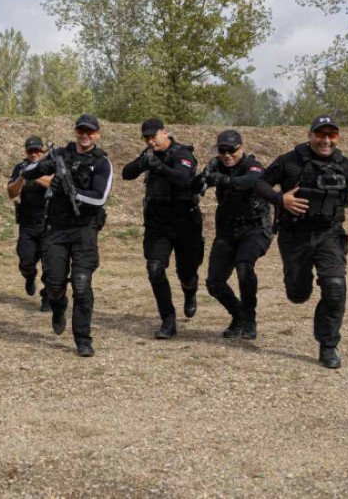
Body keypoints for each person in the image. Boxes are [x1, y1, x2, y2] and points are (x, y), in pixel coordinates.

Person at [255, 115, 348, 369]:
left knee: (335, 288)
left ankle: (328, 346)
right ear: (310, 135)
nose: (326, 140)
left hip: (330, 234)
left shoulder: (344, 164)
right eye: (320, 134)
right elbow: (258, 184)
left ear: (336, 137)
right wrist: (280, 200)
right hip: (295, 237)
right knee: (297, 294)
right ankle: (299, 287)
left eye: (331, 135)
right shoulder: (289, 162)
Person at [23, 114, 113, 357]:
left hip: (85, 229)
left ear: (97, 134)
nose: (85, 135)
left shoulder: (102, 162)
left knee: (82, 285)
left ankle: (83, 339)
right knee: (53, 284)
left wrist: (70, 189)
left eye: (90, 131)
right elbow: (29, 170)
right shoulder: (60, 155)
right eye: (81, 130)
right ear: (75, 131)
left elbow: (99, 197)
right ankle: (58, 307)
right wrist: (42, 165)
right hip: (57, 229)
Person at [122, 118, 204, 340]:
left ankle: (190, 291)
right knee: (155, 268)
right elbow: (125, 173)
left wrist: (159, 167)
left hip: (185, 222)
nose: (150, 141)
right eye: (146, 138)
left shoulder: (182, 154)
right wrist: (143, 164)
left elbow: (183, 177)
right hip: (158, 223)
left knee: (186, 272)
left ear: (164, 133)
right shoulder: (148, 154)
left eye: (153, 136)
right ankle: (168, 319)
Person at [198, 130, 272, 340]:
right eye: (222, 150)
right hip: (227, 231)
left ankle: (249, 319)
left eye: (232, 150)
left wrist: (224, 180)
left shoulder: (252, 165)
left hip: (255, 228)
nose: (227, 155)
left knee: (244, 266)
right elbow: (196, 184)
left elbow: (251, 181)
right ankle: (238, 315)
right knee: (214, 282)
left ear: (242, 148)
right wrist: (202, 181)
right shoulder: (215, 164)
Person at [6, 136, 51, 311]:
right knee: (26, 262)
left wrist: (34, 175)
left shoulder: (50, 165)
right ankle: (30, 276)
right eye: (30, 151)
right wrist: (21, 178)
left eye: (37, 150)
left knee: (50, 265)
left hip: (50, 223)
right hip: (28, 223)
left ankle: (47, 297)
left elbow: (55, 183)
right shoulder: (20, 168)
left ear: (43, 151)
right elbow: (11, 192)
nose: (34, 154)